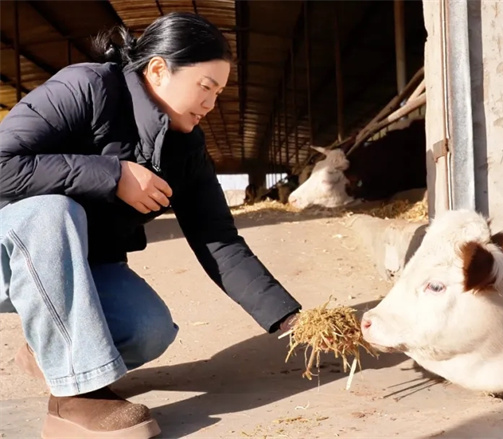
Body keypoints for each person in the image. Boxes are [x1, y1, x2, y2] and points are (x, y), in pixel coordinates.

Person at [0, 12, 302, 439]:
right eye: (205, 87)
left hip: (80, 266)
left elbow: (218, 239)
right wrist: (113, 174)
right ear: (159, 70)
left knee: (148, 330)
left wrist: (290, 318)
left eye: (218, 92)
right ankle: (73, 400)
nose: (211, 104)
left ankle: (50, 348)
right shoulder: (86, 87)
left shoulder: (187, 149)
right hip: (11, 253)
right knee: (53, 211)